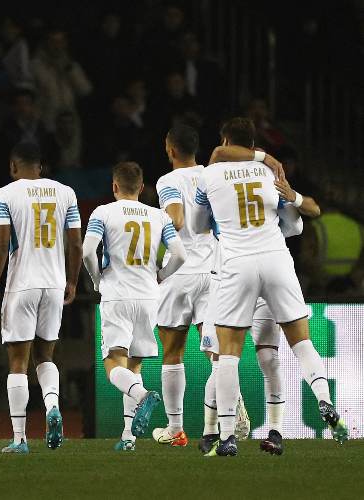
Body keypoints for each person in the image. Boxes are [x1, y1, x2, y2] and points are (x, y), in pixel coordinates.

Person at [190, 117, 348, 456]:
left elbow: (196, 225)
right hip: (276, 260)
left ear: (224, 139)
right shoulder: (270, 175)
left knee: (227, 353)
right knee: (297, 344)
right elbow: (296, 226)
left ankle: (228, 435)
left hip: (235, 267)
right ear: (254, 144)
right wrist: (270, 168)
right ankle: (323, 400)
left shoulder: (210, 173)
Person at [0, 142, 82, 454]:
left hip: (22, 284)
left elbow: (1, 245)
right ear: (41, 167)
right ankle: (52, 405)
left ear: (14, 166)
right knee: (46, 356)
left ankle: (20, 438)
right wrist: (72, 281)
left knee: (17, 362)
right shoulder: (66, 192)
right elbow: (76, 245)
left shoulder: (5, 194)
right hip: (54, 285)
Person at [82, 161, 185, 451]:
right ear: (142, 188)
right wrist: (162, 275)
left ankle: (142, 396)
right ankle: (128, 437)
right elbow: (181, 254)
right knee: (134, 364)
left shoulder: (103, 212)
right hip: (149, 296)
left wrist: (96, 280)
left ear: (114, 186)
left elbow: (88, 250)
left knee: (113, 361)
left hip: (117, 293)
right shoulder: (159, 216)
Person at [150, 124, 217, 447]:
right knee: (218, 355)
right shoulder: (211, 176)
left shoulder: (169, 181)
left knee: (173, 353)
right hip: (214, 272)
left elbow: (175, 219)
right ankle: (225, 418)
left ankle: (175, 429)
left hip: (180, 274)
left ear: (170, 149)